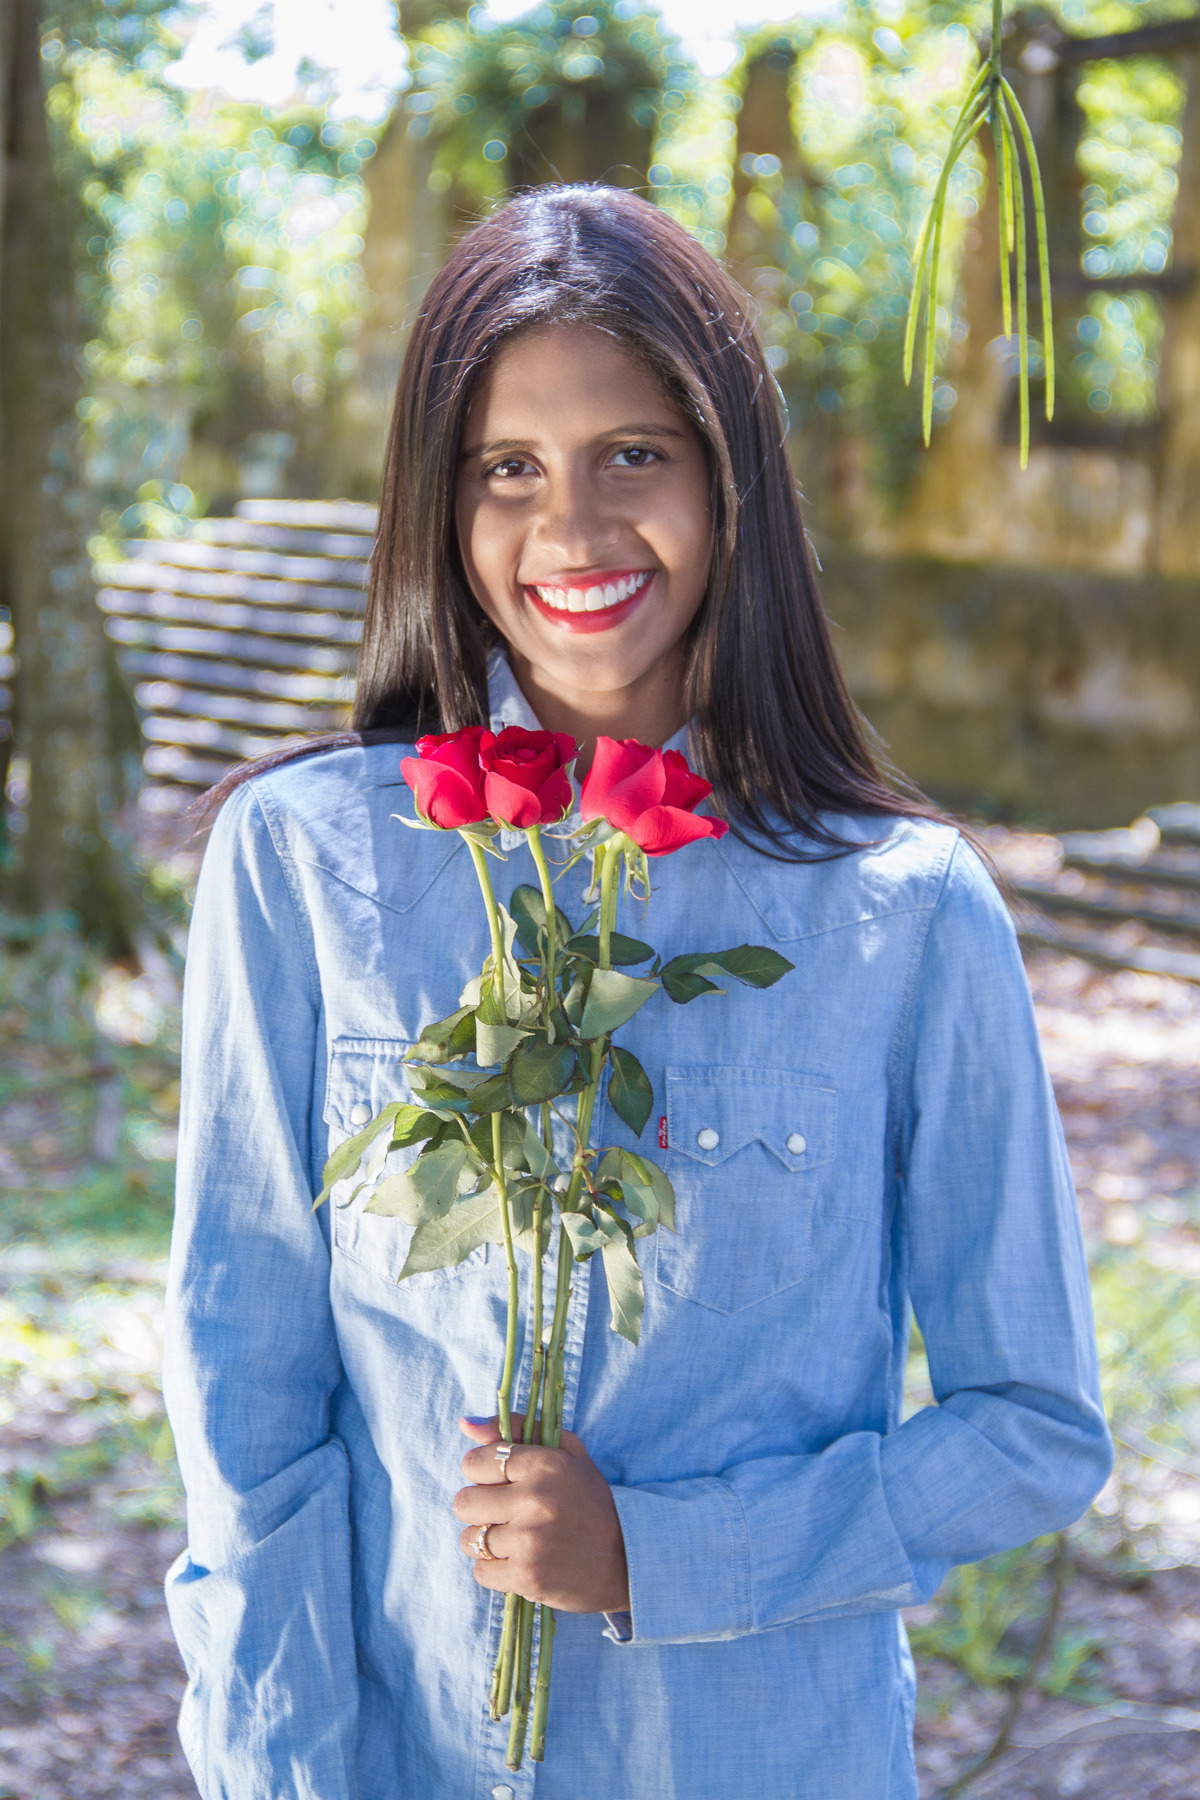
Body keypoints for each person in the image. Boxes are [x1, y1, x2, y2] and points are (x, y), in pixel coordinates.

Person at [163, 186, 1112, 1800]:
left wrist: (665, 1556)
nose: (575, 530)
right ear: (440, 502)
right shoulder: (306, 864)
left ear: (731, 480)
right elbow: (246, 1405)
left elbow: (1031, 1427)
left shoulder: (905, 913)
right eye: (509, 469)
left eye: (634, 455)